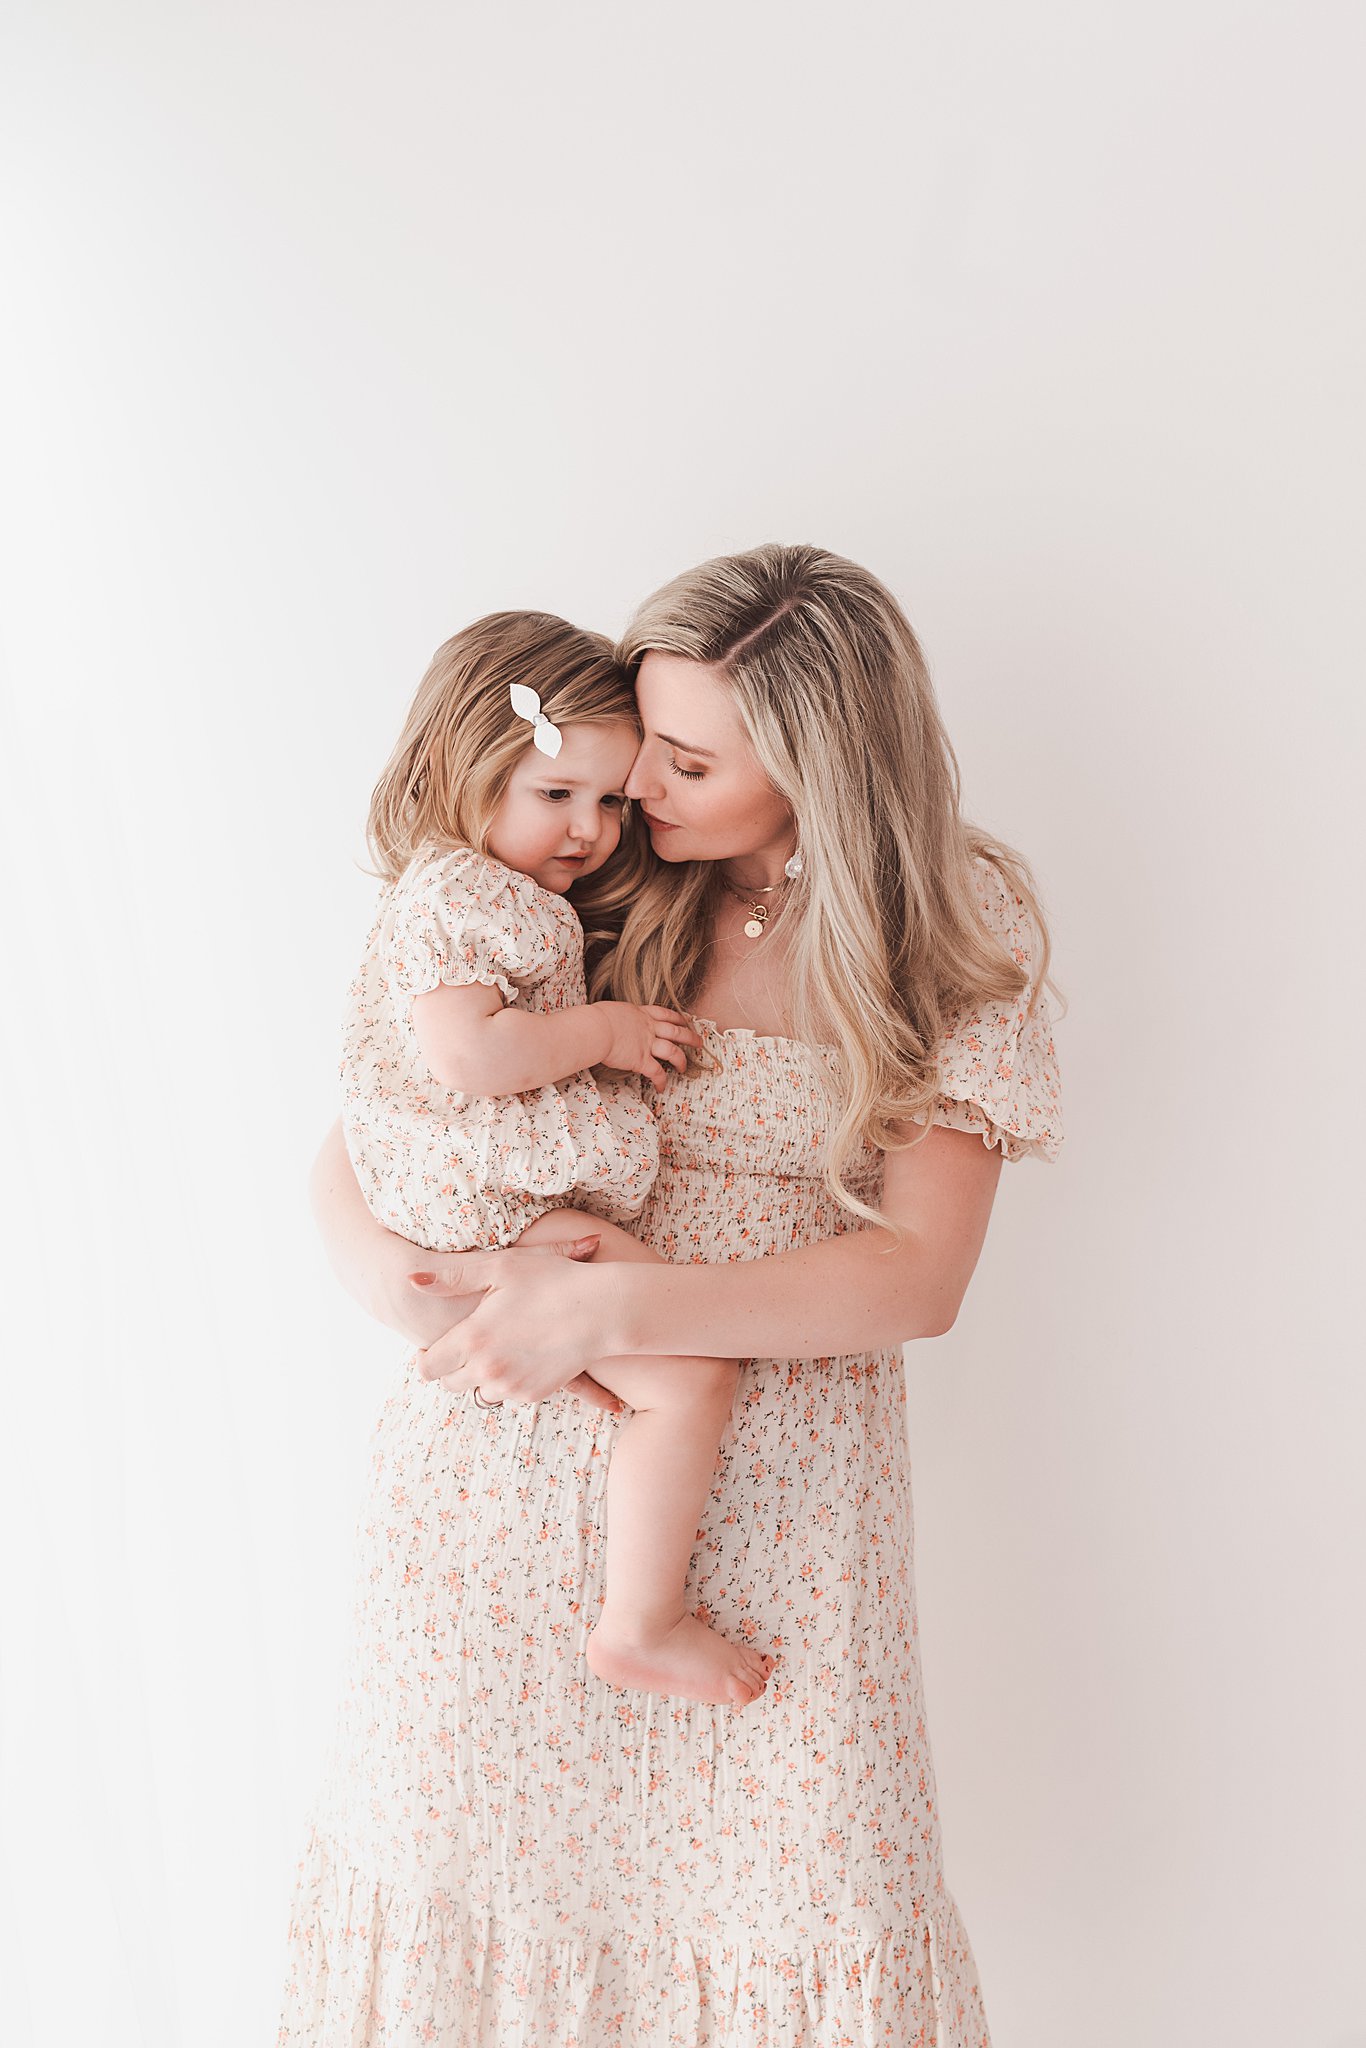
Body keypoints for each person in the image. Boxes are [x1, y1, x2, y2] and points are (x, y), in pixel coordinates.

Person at [276, 544, 1065, 2048]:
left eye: (688, 761)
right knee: (466, 1909)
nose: (639, 790)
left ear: (820, 764)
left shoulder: (946, 924)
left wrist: (612, 1316)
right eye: (649, 745)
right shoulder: (591, 861)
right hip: (503, 1481)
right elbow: (371, 1121)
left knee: (788, 1916)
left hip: (774, 1521)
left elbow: (918, 1277)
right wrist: (403, 1283)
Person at [340, 609, 776, 1708]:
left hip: (493, 1197)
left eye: (610, 800)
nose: (589, 828)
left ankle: (638, 1605)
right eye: (556, 794)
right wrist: (608, 1031)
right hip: (487, 1195)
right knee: (688, 1376)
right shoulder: (457, 898)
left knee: (658, 1372)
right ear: (461, 769)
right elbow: (468, 1054)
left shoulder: (509, 896)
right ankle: (642, 1619)